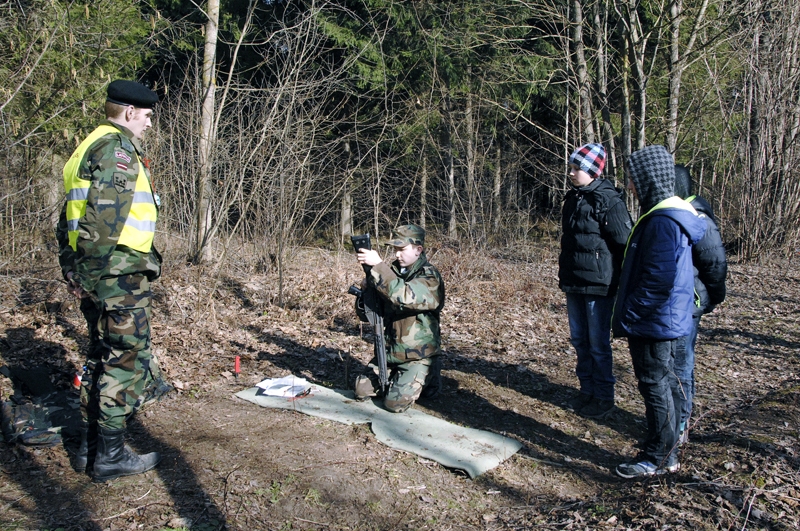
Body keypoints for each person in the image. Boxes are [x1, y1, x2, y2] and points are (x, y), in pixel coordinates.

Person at [56, 80, 164, 482]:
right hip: (118, 275)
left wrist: (73, 269)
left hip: (98, 273)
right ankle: (111, 456)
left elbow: (67, 219)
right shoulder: (116, 151)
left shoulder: (87, 146)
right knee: (125, 359)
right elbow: (103, 218)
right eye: (147, 116)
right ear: (130, 112)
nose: (149, 124)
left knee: (101, 355)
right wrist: (86, 274)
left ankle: (90, 447)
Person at [612, 145, 706, 479]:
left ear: (649, 179)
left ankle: (659, 457)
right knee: (660, 384)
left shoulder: (663, 221)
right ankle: (665, 449)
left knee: (655, 385)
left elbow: (658, 280)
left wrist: (631, 315)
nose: (631, 186)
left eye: (634, 179)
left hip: (654, 321)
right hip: (660, 318)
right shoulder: (664, 216)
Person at [559, 143, 632, 418]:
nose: (571, 173)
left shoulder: (609, 201)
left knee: (598, 344)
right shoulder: (573, 198)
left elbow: (624, 244)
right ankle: (586, 390)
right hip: (573, 281)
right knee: (580, 340)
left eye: (576, 168)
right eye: (571, 168)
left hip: (600, 286)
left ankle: (603, 396)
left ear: (592, 171)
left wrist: (622, 283)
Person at [353, 224, 445, 412]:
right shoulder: (390, 274)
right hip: (391, 353)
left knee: (394, 404)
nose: (397, 254)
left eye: (402, 249)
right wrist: (366, 292)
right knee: (361, 390)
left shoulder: (430, 276)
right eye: (395, 249)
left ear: (418, 249)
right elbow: (366, 315)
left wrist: (378, 267)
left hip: (418, 356)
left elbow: (403, 296)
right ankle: (402, 379)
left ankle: (430, 376)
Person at [673, 164, 727, 444]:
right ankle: (673, 419)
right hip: (677, 304)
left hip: (689, 304)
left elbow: (715, 264)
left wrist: (710, 299)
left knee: (682, 364)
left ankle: (681, 423)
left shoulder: (697, 217)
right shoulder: (675, 213)